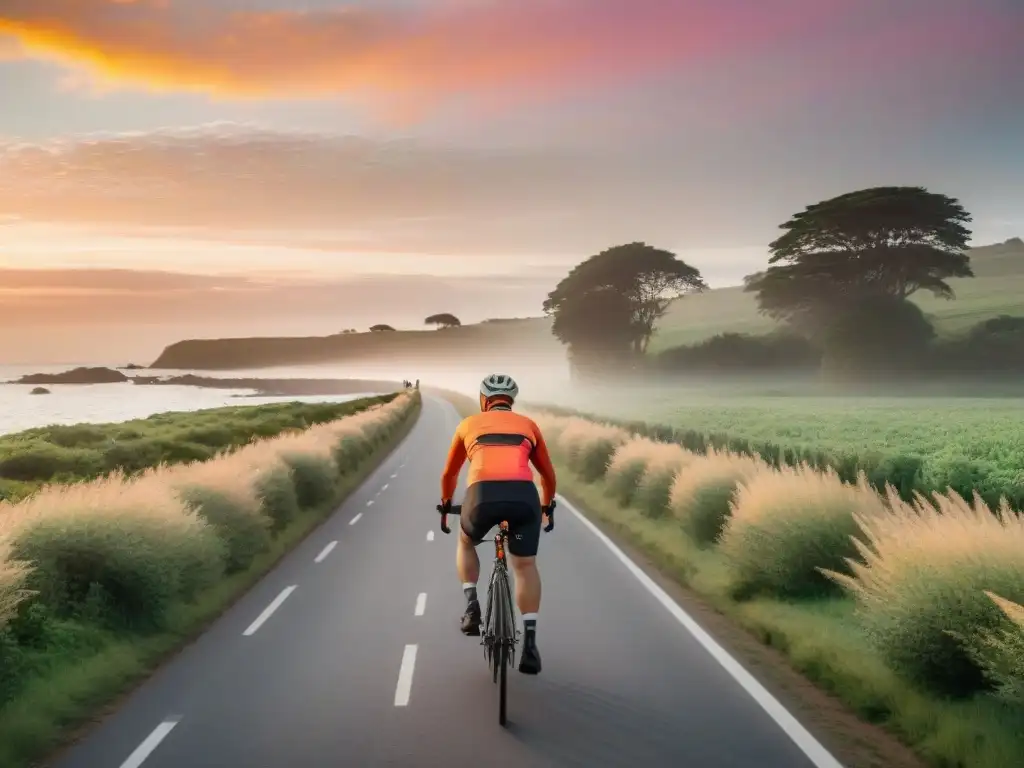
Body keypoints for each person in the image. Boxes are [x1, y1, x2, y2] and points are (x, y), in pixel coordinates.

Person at [439, 373, 556, 675]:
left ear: (484, 400)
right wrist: (547, 506)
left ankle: (471, 608)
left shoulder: (468, 425)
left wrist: (446, 506)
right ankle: (530, 645)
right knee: (525, 566)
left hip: (481, 497)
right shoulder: (529, 425)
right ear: (510, 401)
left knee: (466, 541)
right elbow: (548, 476)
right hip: (523, 498)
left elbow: (449, 474)